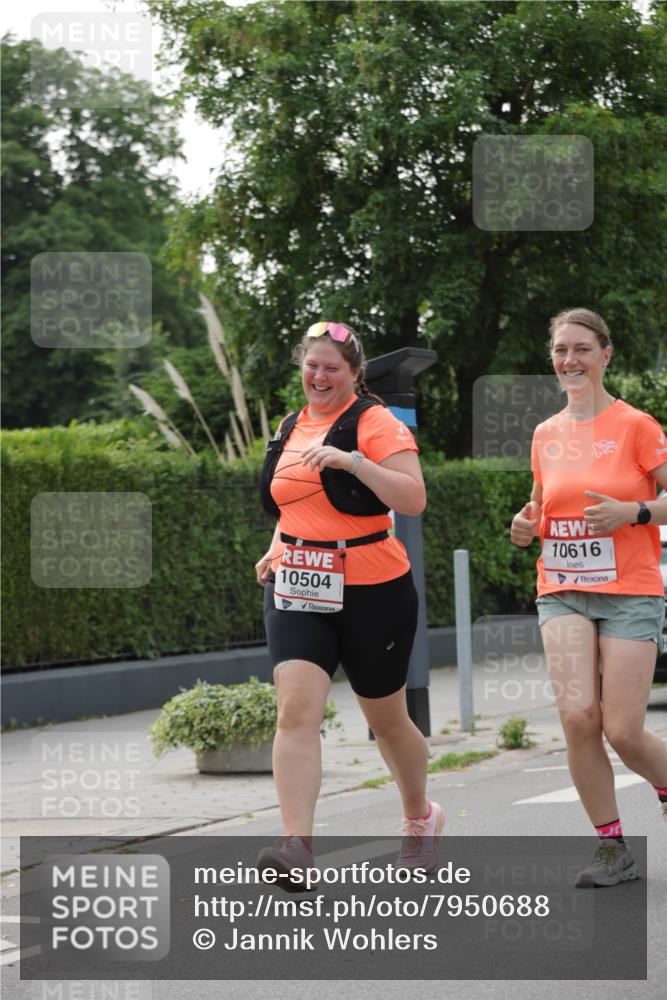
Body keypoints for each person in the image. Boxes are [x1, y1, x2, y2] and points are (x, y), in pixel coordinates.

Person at [254, 321, 444, 889]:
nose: (319, 375)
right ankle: (297, 845)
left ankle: (419, 814)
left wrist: (352, 461)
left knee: (387, 722)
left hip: (372, 588)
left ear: (355, 374)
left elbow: (413, 496)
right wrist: (276, 547)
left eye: (332, 367)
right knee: (295, 711)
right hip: (298, 585)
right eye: (311, 364)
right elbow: (294, 504)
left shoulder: (374, 423)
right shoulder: (290, 425)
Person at [511, 307, 667, 888]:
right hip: (562, 588)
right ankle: (612, 847)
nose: (569, 360)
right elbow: (540, 507)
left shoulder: (636, 426)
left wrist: (637, 511)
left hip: (629, 590)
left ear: (606, 354)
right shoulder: (546, 433)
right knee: (579, 719)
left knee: (624, 731)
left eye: (581, 348)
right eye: (560, 351)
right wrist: (524, 525)